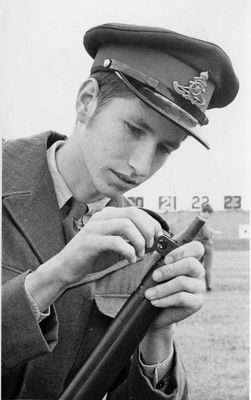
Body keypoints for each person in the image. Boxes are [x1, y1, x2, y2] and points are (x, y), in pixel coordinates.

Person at [2, 23, 239, 399]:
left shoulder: (146, 247)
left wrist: (157, 338)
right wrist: (53, 277)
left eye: (165, 148)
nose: (140, 166)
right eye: (133, 128)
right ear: (87, 101)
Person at [195, 204, 215, 291]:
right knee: (207, 268)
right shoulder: (203, 222)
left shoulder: (196, 220)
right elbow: (207, 235)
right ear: (206, 212)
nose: (210, 216)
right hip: (207, 247)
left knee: (196, 267)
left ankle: (195, 284)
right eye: (210, 214)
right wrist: (212, 233)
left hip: (198, 247)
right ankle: (209, 286)